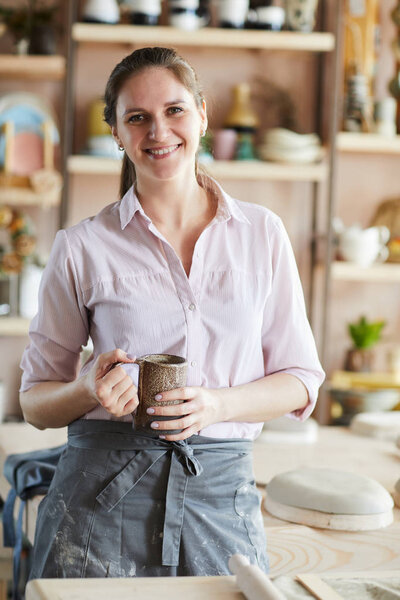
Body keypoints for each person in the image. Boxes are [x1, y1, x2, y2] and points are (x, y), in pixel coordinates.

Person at [19, 46, 325, 579]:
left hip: (220, 494)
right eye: (137, 117)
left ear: (203, 114)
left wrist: (216, 405)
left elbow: (301, 380)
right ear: (116, 132)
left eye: (174, 110)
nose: (158, 131)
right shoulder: (81, 247)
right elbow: (35, 404)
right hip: (98, 501)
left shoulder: (262, 234)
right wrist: (87, 388)